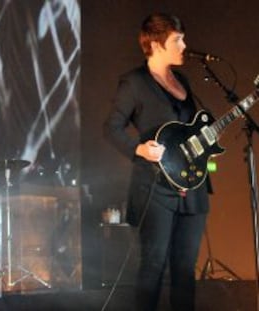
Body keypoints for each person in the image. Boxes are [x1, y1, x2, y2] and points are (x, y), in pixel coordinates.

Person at [104, 13, 211, 311]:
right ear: (156, 43)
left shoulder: (184, 81)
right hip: (156, 187)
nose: (184, 45)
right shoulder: (135, 82)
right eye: (177, 39)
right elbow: (110, 128)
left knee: (185, 269)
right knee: (153, 266)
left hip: (191, 186)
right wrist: (138, 149)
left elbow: (189, 129)